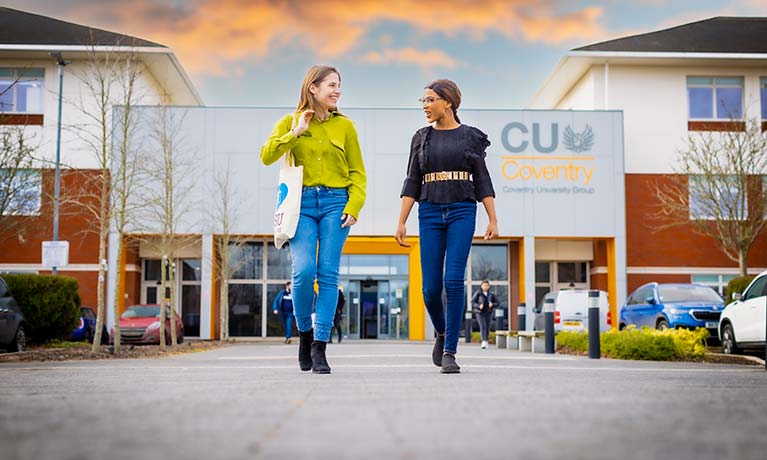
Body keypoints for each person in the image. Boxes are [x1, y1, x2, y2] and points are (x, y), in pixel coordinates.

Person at [261, 65, 366, 374]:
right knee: (304, 271)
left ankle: (320, 346)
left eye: (339, 86)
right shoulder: (289, 122)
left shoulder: (346, 127)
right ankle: (304, 334)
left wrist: (355, 205)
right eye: (331, 85)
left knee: (329, 274)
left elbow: (358, 173)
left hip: (336, 203)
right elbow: (266, 155)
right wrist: (296, 133)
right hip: (301, 203)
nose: (337, 91)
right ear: (312, 88)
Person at [395, 79, 498, 374]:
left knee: (453, 281)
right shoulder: (421, 137)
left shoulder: (470, 137)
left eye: (429, 100)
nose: (425, 106)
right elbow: (412, 180)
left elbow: (482, 180)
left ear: (448, 102)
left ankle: (451, 351)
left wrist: (492, 217)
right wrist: (401, 221)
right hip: (428, 213)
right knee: (429, 289)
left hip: (462, 211)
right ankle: (441, 332)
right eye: (422, 101)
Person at [472, 280, 498, 349]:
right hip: (480, 313)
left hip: (489, 312)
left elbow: (497, 302)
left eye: (487, 285)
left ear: (489, 286)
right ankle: (483, 341)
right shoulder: (478, 293)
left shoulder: (491, 294)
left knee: (487, 327)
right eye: (484, 285)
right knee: (482, 326)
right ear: (481, 286)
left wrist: (492, 304)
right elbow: (472, 302)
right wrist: (478, 306)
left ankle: (486, 340)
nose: (485, 287)